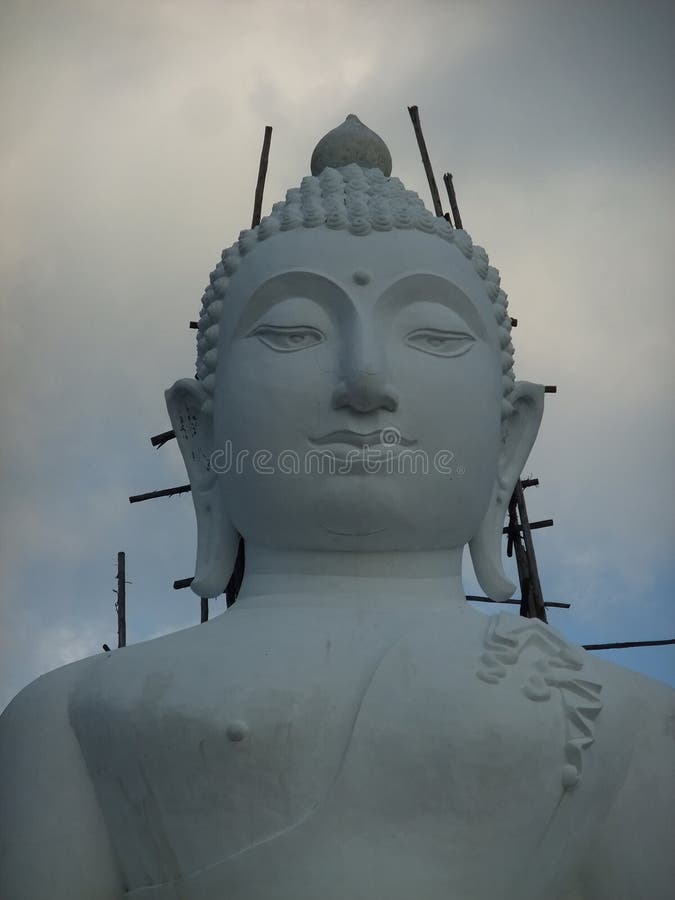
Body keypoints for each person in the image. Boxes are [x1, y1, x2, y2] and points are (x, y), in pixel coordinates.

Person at [1, 116, 672, 900]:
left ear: (509, 437)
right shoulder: (74, 720)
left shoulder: (629, 725)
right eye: (293, 333)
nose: (364, 381)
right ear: (201, 432)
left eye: (432, 334)